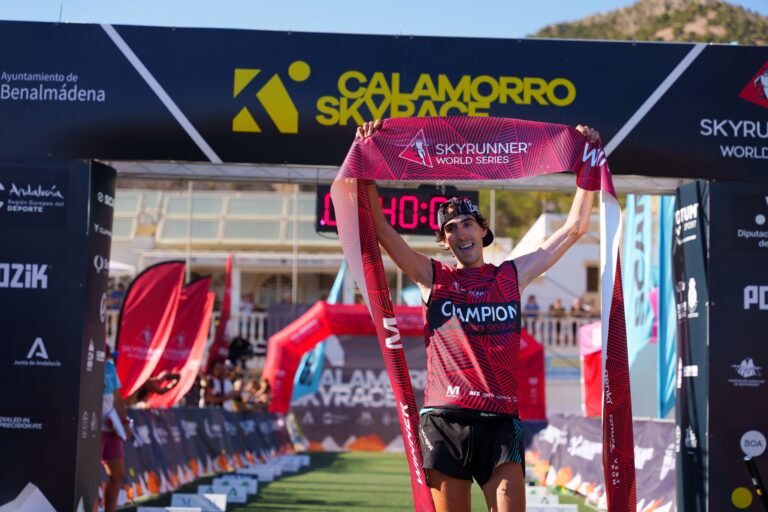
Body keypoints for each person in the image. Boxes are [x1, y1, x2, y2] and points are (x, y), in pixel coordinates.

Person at [357, 119, 598, 512]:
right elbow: (381, 230)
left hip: (500, 422)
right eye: (450, 229)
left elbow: (574, 228)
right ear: (444, 240)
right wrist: (366, 165)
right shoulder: (432, 276)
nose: (460, 233)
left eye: (467, 223)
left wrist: (587, 163)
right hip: (444, 421)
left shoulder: (511, 275)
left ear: (483, 229)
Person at [101, 352, 132, 512]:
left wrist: (125, 422)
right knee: (90, 478)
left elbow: (117, 397)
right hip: (92, 429)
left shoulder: (109, 365)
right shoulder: (88, 361)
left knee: (117, 474)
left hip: (112, 428)